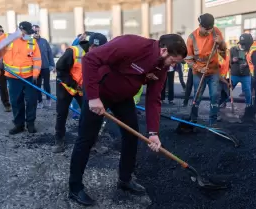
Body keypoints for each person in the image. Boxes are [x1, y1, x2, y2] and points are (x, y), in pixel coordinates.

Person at [68, 34, 187, 206]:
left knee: (132, 136)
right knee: (87, 139)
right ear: (163, 50)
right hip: (100, 91)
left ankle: (125, 179)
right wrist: (93, 97)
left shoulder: (161, 67)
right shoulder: (131, 45)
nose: (174, 66)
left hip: (123, 97)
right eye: (174, 61)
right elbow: (90, 59)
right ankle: (75, 187)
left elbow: (154, 99)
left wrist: (153, 133)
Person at [52, 33, 108, 153]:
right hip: (65, 86)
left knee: (90, 114)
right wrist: (74, 85)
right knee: (61, 113)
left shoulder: (101, 56)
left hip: (83, 88)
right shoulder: (73, 52)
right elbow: (60, 69)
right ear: (92, 46)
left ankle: (93, 142)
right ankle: (59, 140)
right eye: (100, 49)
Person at [0, 21, 42, 134]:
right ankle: (19, 125)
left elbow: (37, 60)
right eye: (26, 32)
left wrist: (35, 75)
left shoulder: (32, 42)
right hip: (13, 77)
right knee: (16, 101)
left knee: (31, 101)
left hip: (30, 77)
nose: (28, 35)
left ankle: (30, 124)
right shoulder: (6, 38)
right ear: (19, 30)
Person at [185, 13, 227, 127]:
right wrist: (199, 68)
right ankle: (193, 119)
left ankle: (212, 121)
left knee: (215, 96)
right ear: (200, 25)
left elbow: (223, 52)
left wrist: (221, 43)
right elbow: (188, 59)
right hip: (199, 73)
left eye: (210, 28)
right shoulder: (192, 38)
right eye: (206, 29)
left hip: (213, 71)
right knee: (197, 96)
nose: (209, 31)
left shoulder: (216, 31)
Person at [32, 25, 55, 109]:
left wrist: (52, 65)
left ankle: (48, 99)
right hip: (35, 68)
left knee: (46, 84)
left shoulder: (44, 41)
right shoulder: (30, 42)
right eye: (34, 31)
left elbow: (49, 53)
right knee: (37, 85)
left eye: (37, 31)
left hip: (45, 67)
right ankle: (40, 101)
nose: (36, 33)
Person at [227, 37, 252, 107]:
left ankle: (248, 105)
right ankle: (222, 102)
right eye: (241, 44)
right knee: (229, 89)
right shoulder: (232, 50)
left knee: (247, 91)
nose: (242, 46)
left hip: (245, 74)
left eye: (243, 44)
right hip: (235, 74)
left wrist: (246, 64)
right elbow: (227, 61)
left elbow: (251, 61)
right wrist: (232, 60)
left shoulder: (248, 50)